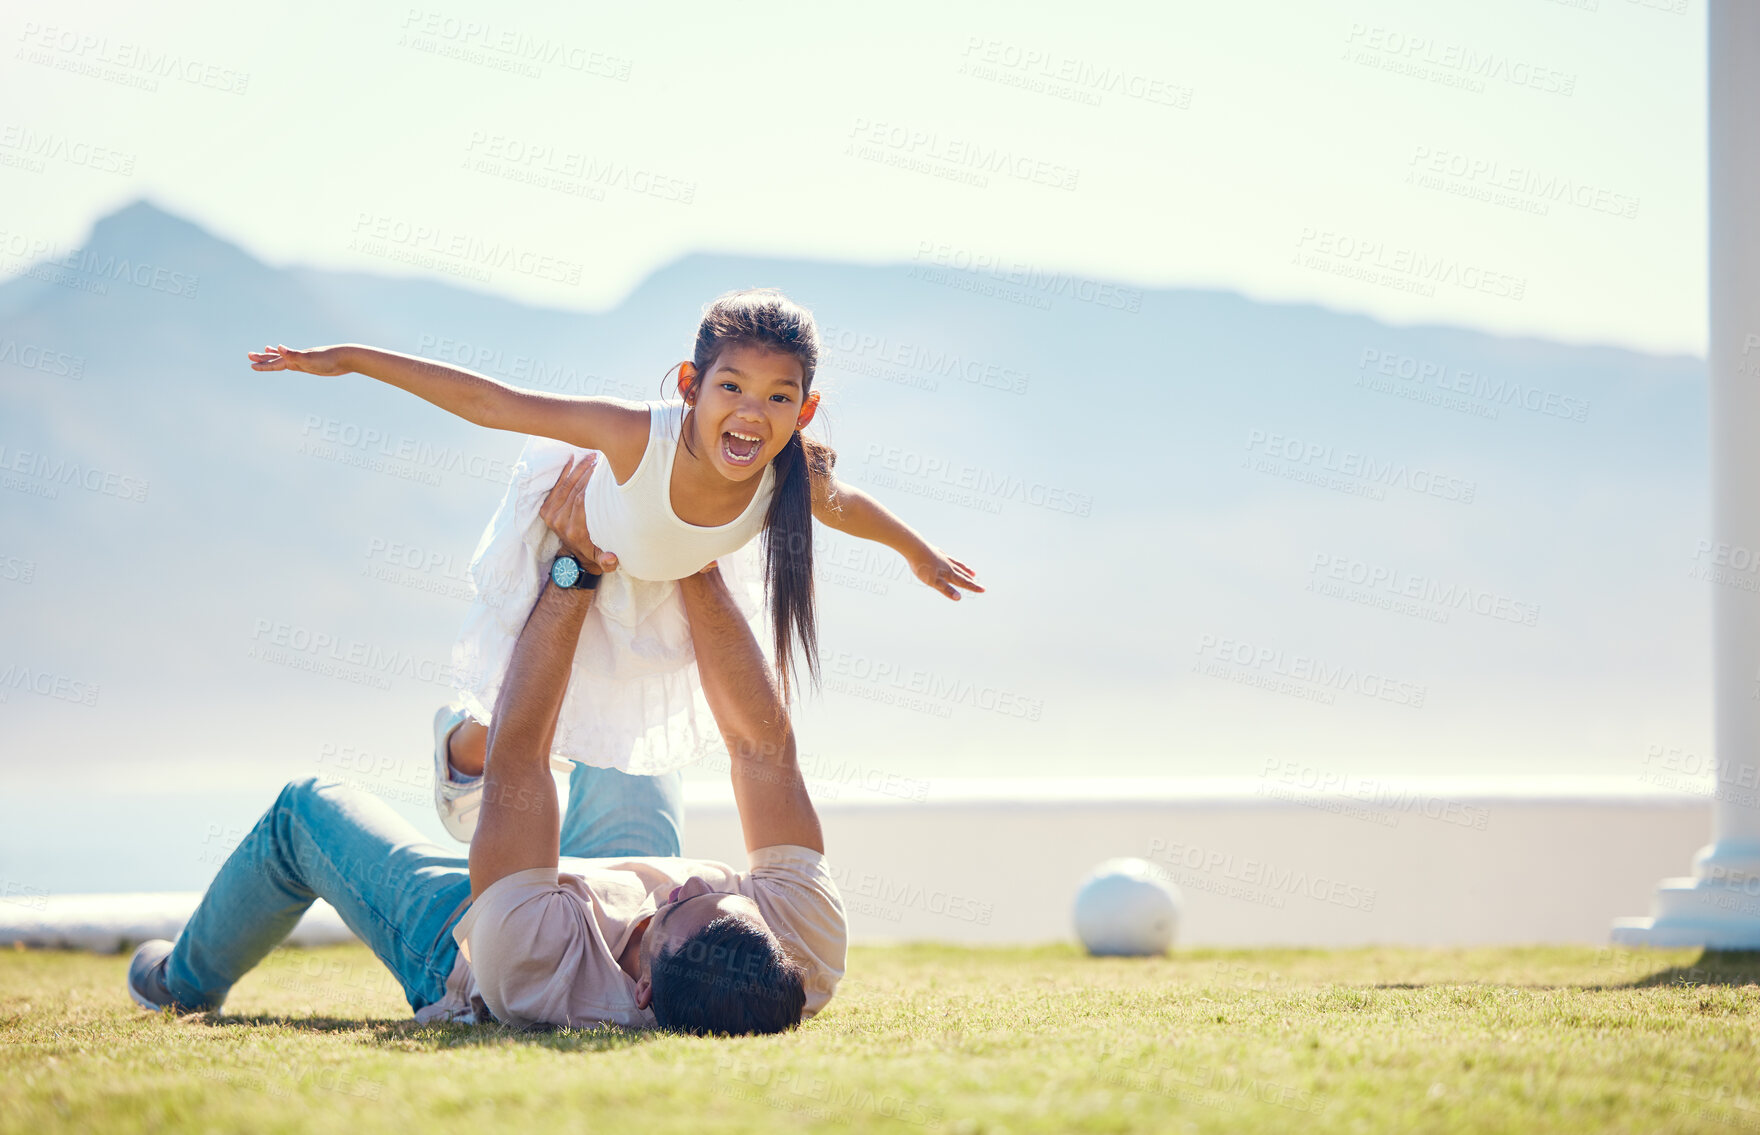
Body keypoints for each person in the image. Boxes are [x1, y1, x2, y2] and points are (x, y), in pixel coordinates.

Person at [126, 454, 848, 1035]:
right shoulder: (802, 950)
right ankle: (463, 762)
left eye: (683, 907)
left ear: (646, 986)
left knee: (303, 809)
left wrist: (573, 564)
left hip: (469, 939)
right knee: (631, 729)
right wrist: (687, 547)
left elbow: (521, 756)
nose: (699, 881)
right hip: (597, 878)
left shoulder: (532, 963)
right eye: (728, 897)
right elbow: (762, 749)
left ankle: (180, 981)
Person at [246, 287, 983, 778]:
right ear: (691, 386)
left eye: (778, 396)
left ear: (806, 409)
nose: (753, 413)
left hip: (656, 570)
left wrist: (917, 552)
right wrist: (343, 360)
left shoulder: (788, 473)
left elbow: (845, 503)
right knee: (512, 735)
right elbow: (489, 403)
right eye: (731, 387)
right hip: (563, 546)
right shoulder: (633, 436)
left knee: (602, 722)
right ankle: (457, 750)